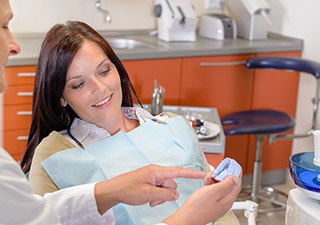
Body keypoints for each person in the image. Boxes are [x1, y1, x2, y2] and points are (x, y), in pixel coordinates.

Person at [0, 0, 241, 224]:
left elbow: (218, 209)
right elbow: (42, 216)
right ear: (61, 96)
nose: (101, 89)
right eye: (79, 84)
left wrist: (219, 192)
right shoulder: (55, 156)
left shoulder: (171, 125)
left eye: (104, 71)